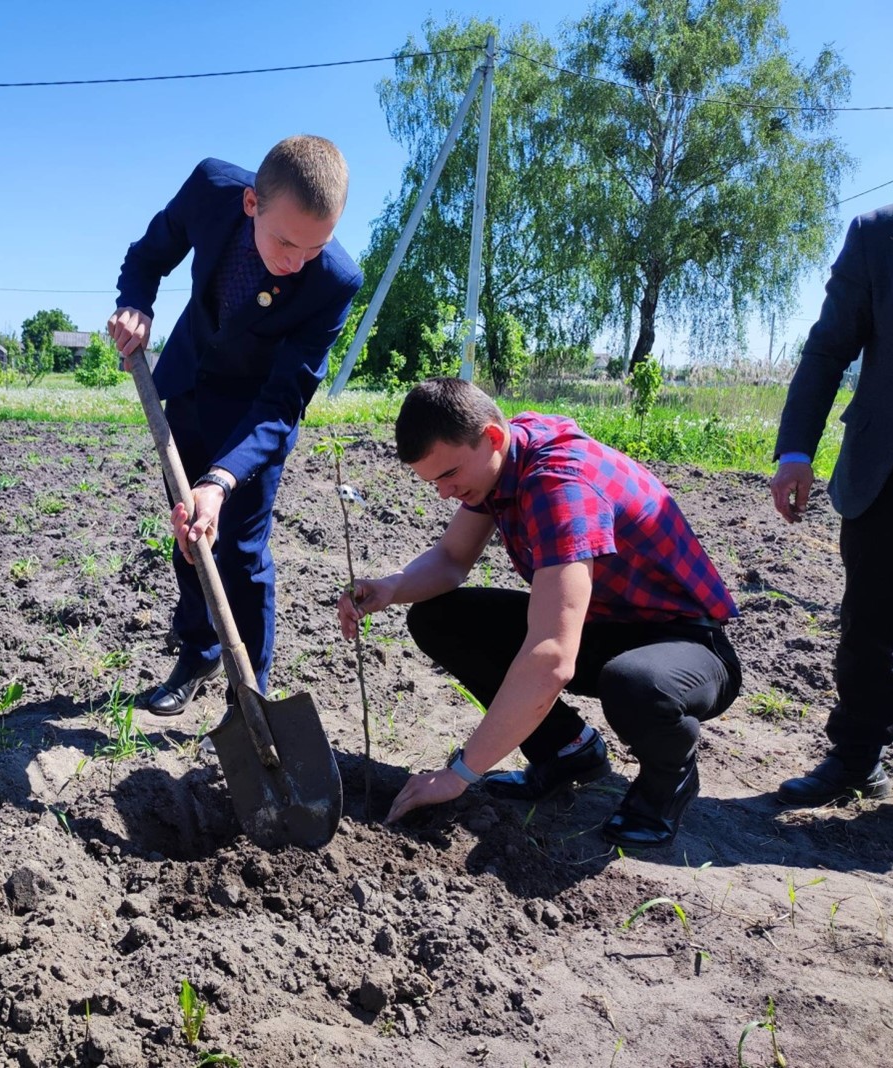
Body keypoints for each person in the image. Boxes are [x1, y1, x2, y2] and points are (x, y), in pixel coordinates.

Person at [339, 378, 743, 849]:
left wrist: (459, 773)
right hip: (607, 626)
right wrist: (389, 589)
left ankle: (666, 782)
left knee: (635, 684)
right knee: (437, 618)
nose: (444, 493)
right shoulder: (504, 459)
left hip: (687, 646)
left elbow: (553, 656)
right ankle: (567, 751)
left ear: (491, 436)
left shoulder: (559, 486)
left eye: (449, 475)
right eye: (434, 483)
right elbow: (451, 560)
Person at [109, 135, 362, 714]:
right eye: (284, 242)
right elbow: (148, 256)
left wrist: (222, 480)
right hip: (190, 391)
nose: (296, 262)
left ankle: (250, 694)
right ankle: (199, 650)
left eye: (314, 247)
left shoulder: (334, 282)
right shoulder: (211, 189)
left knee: (242, 554)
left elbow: (283, 400)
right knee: (187, 537)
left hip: (252, 427)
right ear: (251, 203)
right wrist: (136, 306)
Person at [769, 195, 893, 806]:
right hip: (892, 470)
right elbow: (829, 347)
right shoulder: (881, 234)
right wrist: (796, 449)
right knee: (868, 628)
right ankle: (857, 759)